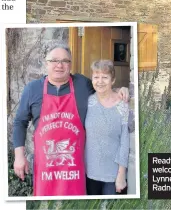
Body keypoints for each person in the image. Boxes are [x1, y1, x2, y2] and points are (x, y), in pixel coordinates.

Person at [12, 42, 129, 196]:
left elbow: (103, 88)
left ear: (70, 64)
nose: (59, 65)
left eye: (65, 61)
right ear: (46, 63)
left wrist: (120, 90)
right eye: (54, 60)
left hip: (76, 168)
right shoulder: (32, 89)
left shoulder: (83, 84)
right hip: (46, 169)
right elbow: (20, 122)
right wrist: (19, 156)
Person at [85, 60, 129, 195]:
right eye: (96, 77)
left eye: (105, 77)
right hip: (89, 173)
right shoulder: (88, 101)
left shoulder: (123, 104)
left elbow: (125, 141)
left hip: (113, 175)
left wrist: (121, 175)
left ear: (113, 80)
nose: (100, 81)